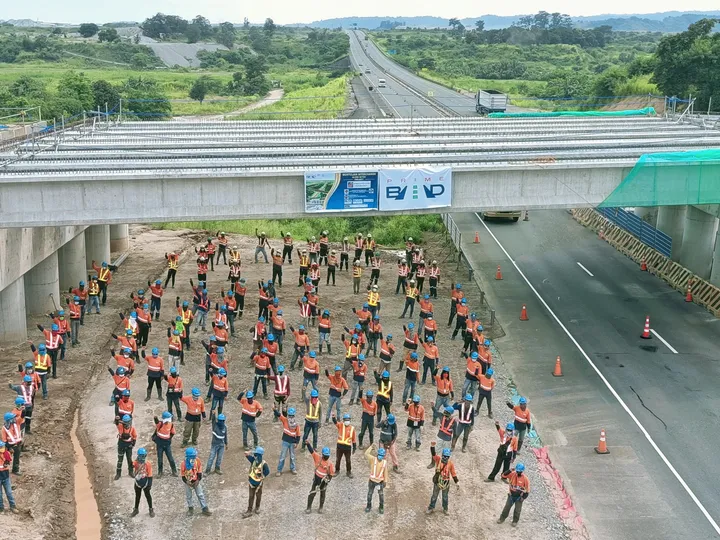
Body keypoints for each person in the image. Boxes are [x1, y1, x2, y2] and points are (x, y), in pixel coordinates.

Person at [426, 444, 459, 515]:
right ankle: (431, 507)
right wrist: (432, 447)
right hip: (438, 482)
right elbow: (434, 454)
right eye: (444, 456)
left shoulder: (450, 464)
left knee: (445, 497)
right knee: (434, 495)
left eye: (447, 457)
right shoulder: (438, 460)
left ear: (449, 457)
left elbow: (453, 473)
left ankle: (445, 508)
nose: (445, 458)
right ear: (442, 455)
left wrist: (457, 482)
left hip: (446, 483)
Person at [305, 443, 335, 514]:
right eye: (325, 455)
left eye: (327, 455)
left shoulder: (329, 464)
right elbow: (312, 451)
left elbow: (331, 474)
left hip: (323, 482)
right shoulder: (318, 458)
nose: (326, 457)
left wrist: (328, 480)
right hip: (316, 480)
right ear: (322, 454)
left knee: (322, 494)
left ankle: (321, 507)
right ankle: (308, 507)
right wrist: (308, 444)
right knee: (312, 493)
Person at [181, 447, 211, 516]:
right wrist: (187, 482)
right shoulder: (183, 464)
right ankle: (190, 508)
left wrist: (198, 480)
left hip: (196, 481)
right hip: (188, 482)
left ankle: (204, 508)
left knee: (200, 494)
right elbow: (183, 475)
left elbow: (199, 472)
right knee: (189, 496)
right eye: (192, 456)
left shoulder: (197, 461)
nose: (194, 458)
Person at [243, 447, 270, 518]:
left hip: (259, 484)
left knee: (258, 495)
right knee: (251, 496)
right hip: (251, 482)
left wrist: (262, 477)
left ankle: (257, 507)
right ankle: (249, 510)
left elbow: (267, 471)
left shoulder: (263, 464)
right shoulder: (253, 460)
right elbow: (246, 454)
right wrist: (249, 453)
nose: (255, 456)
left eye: (257, 455)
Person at [274, 407, 300, 476]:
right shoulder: (285, 420)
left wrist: (296, 442)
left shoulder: (296, 424)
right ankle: (279, 470)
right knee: (282, 456)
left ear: (294, 415)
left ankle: (293, 468)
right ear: (288, 415)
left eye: (292, 415)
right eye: (290, 415)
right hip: (285, 441)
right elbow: (279, 415)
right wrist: (274, 409)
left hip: (292, 442)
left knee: (292, 456)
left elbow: (298, 433)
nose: (291, 417)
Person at [152, 411, 178, 477]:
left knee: (170, 458)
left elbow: (173, 432)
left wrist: (169, 438)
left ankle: (174, 471)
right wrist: (155, 418)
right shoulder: (160, 424)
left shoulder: (171, 424)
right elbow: (157, 422)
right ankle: (160, 472)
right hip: (160, 444)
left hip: (167, 444)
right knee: (160, 459)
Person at [130, 448, 154, 517]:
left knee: (148, 496)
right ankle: (136, 509)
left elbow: (150, 474)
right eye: (141, 456)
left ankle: (151, 509)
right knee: (137, 496)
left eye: (143, 456)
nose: (142, 457)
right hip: (138, 482)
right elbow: (131, 465)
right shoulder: (136, 462)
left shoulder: (147, 464)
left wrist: (149, 485)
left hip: (145, 482)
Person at [365, 444, 389, 514]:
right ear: (377, 454)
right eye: (379, 455)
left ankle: (381, 507)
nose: (380, 457)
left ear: (384, 456)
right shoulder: (373, 459)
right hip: (372, 481)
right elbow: (366, 454)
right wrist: (371, 447)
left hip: (380, 482)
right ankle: (368, 506)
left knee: (381, 495)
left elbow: (385, 472)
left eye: (382, 456)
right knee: (369, 494)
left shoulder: (384, 463)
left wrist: (385, 481)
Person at [331, 413, 357, 478]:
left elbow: (354, 439)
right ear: (343, 420)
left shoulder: (352, 429)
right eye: (345, 420)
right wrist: (333, 417)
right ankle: (337, 470)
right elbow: (335, 422)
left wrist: (354, 448)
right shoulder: (340, 425)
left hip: (347, 447)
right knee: (338, 459)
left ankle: (349, 471)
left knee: (348, 460)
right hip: (340, 446)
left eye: (348, 420)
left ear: (350, 420)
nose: (347, 421)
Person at [115, 414, 137, 480]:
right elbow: (116, 423)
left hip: (128, 445)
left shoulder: (132, 428)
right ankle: (118, 473)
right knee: (120, 460)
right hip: (121, 445)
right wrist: (117, 419)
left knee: (129, 459)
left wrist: (132, 444)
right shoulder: (120, 426)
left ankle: (131, 472)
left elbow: (135, 437)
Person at [0, 441, 18, 513]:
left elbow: (8, 461)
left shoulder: (6, 454)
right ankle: (1, 508)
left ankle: (12, 506)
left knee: (9, 492)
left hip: (6, 476)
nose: (2, 449)